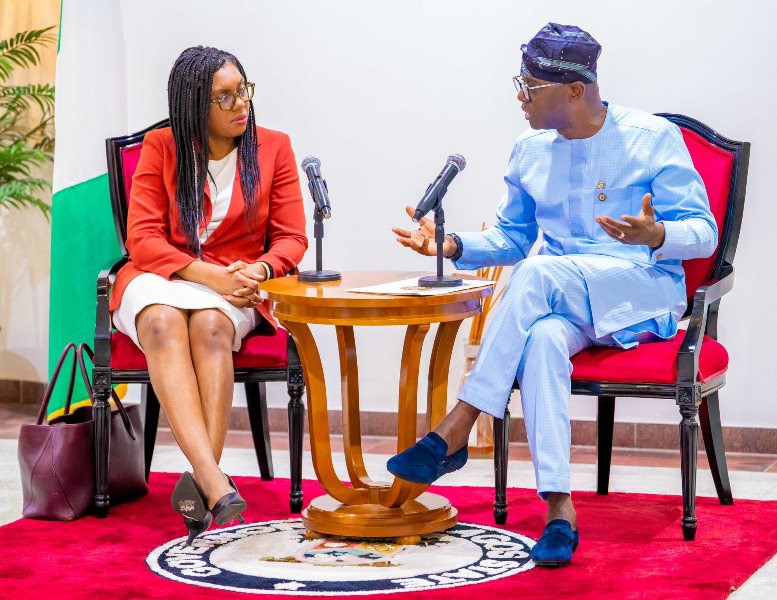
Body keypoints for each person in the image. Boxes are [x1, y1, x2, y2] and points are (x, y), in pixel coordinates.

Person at [387, 23, 716, 567]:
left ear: (576, 89)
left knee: (539, 274)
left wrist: (656, 234)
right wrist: (447, 243)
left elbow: (703, 232)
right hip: (563, 297)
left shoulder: (652, 138)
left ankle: (459, 425)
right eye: (520, 82)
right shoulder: (531, 149)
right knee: (539, 338)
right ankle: (560, 510)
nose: (520, 96)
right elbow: (514, 238)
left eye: (531, 86)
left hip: (639, 287)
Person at [108, 46, 308, 545]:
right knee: (161, 321)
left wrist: (260, 268)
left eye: (243, 90)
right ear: (195, 104)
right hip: (162, 275)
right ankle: (214, 482)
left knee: (212, 326)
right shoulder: (162, 146)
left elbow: (292, 238)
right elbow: (144, 238)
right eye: (225, 97)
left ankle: (202, 482)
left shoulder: (274, 147)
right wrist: (205, 276)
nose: (241, 103)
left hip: (236, 283)